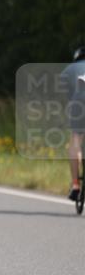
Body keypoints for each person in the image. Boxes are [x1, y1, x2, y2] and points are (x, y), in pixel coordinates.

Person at [62, 46, 85, 202]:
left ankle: (76, 185)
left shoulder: (70, 69)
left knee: (76, 141)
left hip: (79, 102)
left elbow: (67, 94)